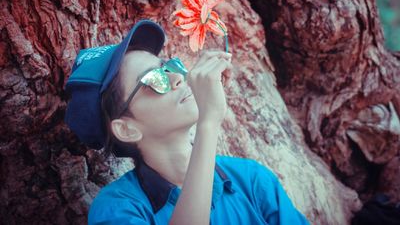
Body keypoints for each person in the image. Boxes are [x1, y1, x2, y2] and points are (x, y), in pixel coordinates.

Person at [65, 19, 310, 225]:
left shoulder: (252, 179)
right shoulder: (117, 208)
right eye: (154, 79)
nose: (177, 79)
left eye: (170, 66)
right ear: (127, 129)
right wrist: (208, 123)